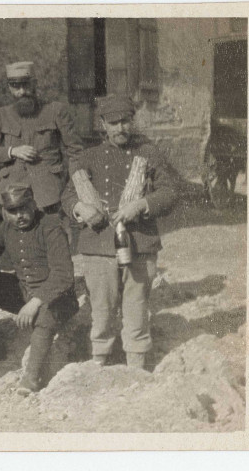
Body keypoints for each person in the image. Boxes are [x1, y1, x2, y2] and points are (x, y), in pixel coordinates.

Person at [61, 95, 177, 369]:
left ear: (132, 121)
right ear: (102, 124)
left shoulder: (149, 153)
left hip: (139, 243)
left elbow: (171, 192)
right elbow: (67, 194)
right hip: (99, 246)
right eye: (113, 123)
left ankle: (136, 365)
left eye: (125, 121)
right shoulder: (89, 156)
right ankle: (99, 362)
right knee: (101, 310)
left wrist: (141, 204)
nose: (120, 128)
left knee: (136, 308)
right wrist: (80, 207)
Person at [0, 186, 78, 390]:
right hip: (26, 293)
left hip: (58, 298)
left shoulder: (50, 226)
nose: (19, 216)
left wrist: (35, 303)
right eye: (12, 211)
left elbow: (63, 275)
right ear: (4, 212)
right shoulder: (6, 228)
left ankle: (31, 378)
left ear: (34, 205)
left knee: (44, 316)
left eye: (24, 209)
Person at [0, 61, 83, 215]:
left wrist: (73, 186)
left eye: (26, 85)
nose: (22, 91)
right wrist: (12, 151)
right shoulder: (1, 115)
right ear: (9, 87)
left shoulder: (55, 111)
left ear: (35, 83)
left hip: (49, 193)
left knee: (51, 234)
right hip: (12, 192)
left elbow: (76, 151)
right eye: (16, 86)